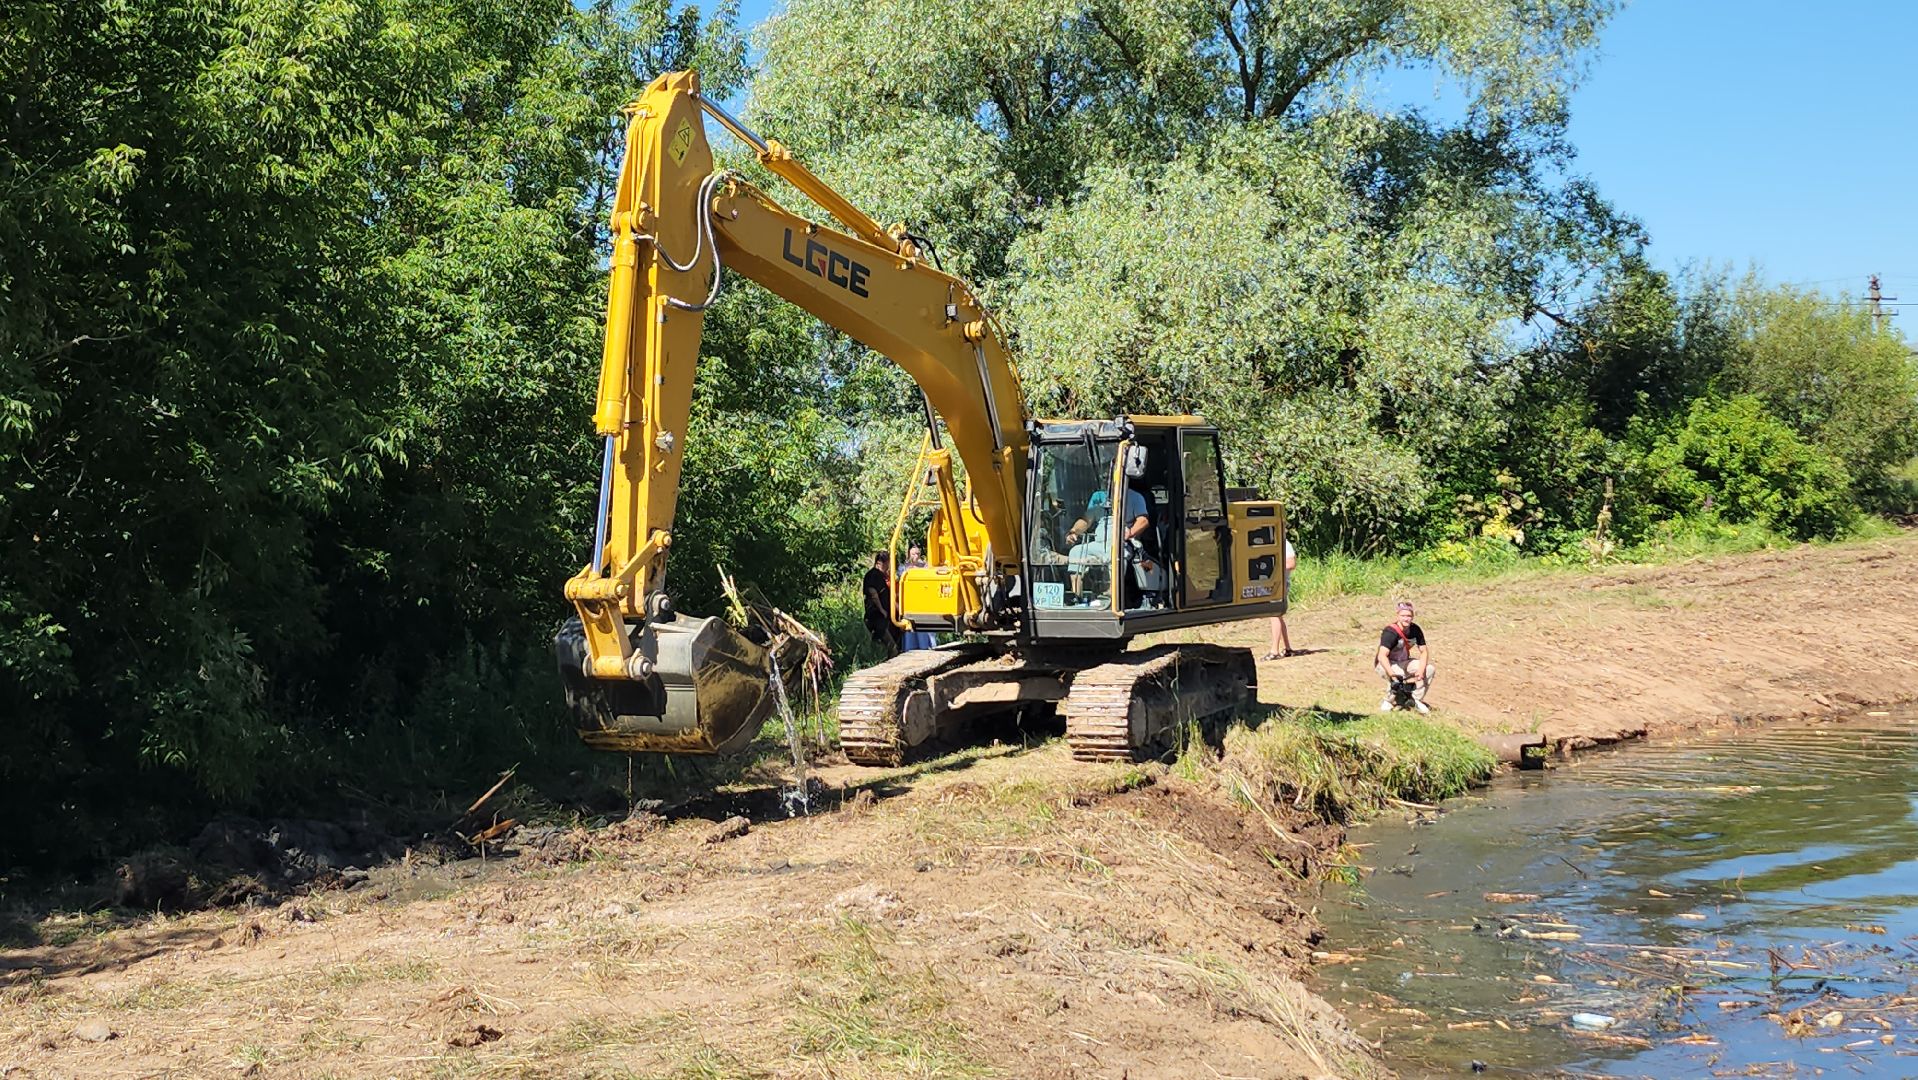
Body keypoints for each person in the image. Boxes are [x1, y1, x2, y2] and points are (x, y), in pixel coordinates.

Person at [1375, 601, 1434, 713]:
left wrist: (1421, 671)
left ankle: (1416, 700)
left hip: (1404, 661)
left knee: (1429, 669)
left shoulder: (1415, 629)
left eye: (1409, 616)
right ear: (1397, 616)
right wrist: (1392, 674)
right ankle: (1388, 701)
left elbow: (1424, 651)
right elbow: (1382, 655)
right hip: (1386, 663)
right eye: (1403, 616)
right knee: (1398, 676)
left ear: (1413, 616)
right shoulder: (1390, 632)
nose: (1406, 619)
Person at [1263, 537, 1299, 660]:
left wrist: (1274, 565)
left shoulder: (1285, 543)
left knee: (1274, 614)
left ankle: (1274, 651)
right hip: (1276, 583)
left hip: (1280, 584)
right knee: (1277, 615)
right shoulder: (1277, 543)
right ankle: (1287, 648)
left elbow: (1291, 563)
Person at [862, 551, 902, 656]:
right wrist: (882, 610)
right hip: (877, 617)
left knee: (893, 645)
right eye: (888, 563)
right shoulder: (873, 575)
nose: (888, 566)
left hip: (884, 617)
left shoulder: (881, 576)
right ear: (880, 563)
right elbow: (873, 593)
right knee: (892, 648)